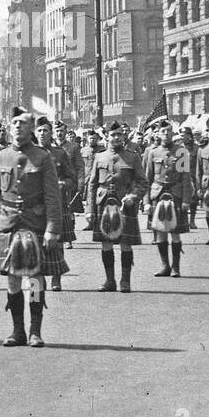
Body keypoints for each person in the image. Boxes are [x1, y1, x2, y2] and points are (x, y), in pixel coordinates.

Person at [0, 107, 63, 348]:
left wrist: (52, 228)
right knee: (12, 279)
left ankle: (35, 331)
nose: (18, 127)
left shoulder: (42, 157)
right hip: (9, 225)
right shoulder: (1, 156)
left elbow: (52, 196)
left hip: (35, 223)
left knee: (37, 279)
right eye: (14, 123)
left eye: (22, 123)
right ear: (9, 128)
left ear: (31, 128)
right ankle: (17, 330)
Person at [87, 120, 147, 292]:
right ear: (106, 136)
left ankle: (125, 281)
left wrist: (134, 196)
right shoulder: (99, 157)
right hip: (103, 204)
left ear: (124, 136)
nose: (116, 138)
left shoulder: (132, 156)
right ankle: (109, 280)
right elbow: (92, 185)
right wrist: (89, 210)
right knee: (106, 243)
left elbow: (143, 182)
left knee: (125, 243)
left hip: (124, 206)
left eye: (119, 134)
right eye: (113, 135)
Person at [140, 117, 193, 278]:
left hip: (175, 195)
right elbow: (147, 179)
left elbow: (185, 178)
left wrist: (185, 200)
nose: (166, 134)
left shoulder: (181, 152)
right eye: (163, 131)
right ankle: (165, 265)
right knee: (161, 232)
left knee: (175, 232)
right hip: (157, 195)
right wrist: (146, 202)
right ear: (158, 134)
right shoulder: (153, 152)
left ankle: (176, 267)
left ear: (173, 133)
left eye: (169, 131)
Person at [35, 117, 76, 290]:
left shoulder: (59, 153)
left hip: (56, 205)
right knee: (34, 246)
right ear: (34, 133)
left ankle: (56, 278)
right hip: (34, 208)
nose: (42, 133)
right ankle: (37, 285)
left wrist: (63, 184)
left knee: (57, 243)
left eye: (45, 130)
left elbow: (71, 178)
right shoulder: (28, 154)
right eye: (39, 130)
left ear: (51, 133)